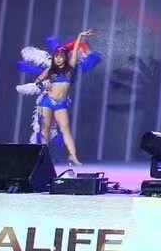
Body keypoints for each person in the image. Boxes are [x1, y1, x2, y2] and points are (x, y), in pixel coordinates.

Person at [16, 30, 99, 168]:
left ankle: (73, 156)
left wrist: (80, 36)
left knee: (65, 130)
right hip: (47, 102)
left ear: (66, 58)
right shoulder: (50, 71)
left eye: (61, 57)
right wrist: (45, 85)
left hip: (61, 104)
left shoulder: (70, 68)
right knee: (45, 131)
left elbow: (76, 50)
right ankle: (41, 158)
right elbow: (37, 81)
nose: (58, 59)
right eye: (56, 56)